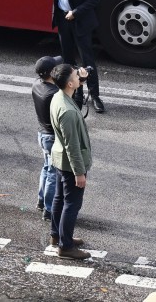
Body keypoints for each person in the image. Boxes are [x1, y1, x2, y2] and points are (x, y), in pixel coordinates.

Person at [34, 0, 104, 113]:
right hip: (63, 20)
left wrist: (76, 12)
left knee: (87, 60)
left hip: (79, 21)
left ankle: (95, 96)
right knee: (67, 60)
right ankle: (73, 93)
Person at [49, 63, 93, 259]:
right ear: (69, 83)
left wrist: (80, 84)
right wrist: (79, 172)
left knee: (59, 199)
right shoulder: (67, 112)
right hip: (70, 164)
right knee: (72, 204)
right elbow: (72, 145)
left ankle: (57, 235)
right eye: (76, 75)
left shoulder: (58, 97)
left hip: (59, 159)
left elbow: (74, 100)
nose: (79, 75)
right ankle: (66, 247)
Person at [32, 55, 61, 218]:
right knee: (53, 173)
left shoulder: (36, 84)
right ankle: (49, 210)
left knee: (46, 168)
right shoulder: (54, 93)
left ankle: (41, 200)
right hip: (52, 137)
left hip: (42, 134)